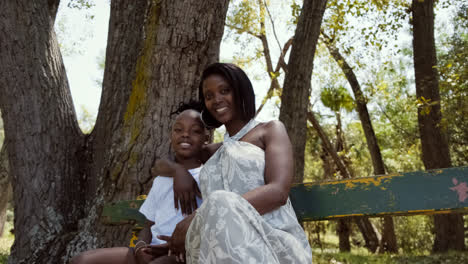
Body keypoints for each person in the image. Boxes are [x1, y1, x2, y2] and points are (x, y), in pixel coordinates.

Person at [157, 63, 312, 263]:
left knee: (219, 199)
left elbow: (278, 191)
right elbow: (162, 162)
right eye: (209, 96)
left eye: (224, 91)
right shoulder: (214, 151)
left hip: (271, 241)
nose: (216, 100)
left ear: (240, 91)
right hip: (218, 248)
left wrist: (199, 216)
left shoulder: (269, 130)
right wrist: (178, 171)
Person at [71, 102, 208, 264]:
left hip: (181, 254)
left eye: (195, 131)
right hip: (152, 249)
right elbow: (148, 225)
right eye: (178, 130)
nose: (185, 135)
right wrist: (141, 247)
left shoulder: (208, 176)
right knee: (82, 260)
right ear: (171, 135)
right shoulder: (162, 179)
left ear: (206, 139)